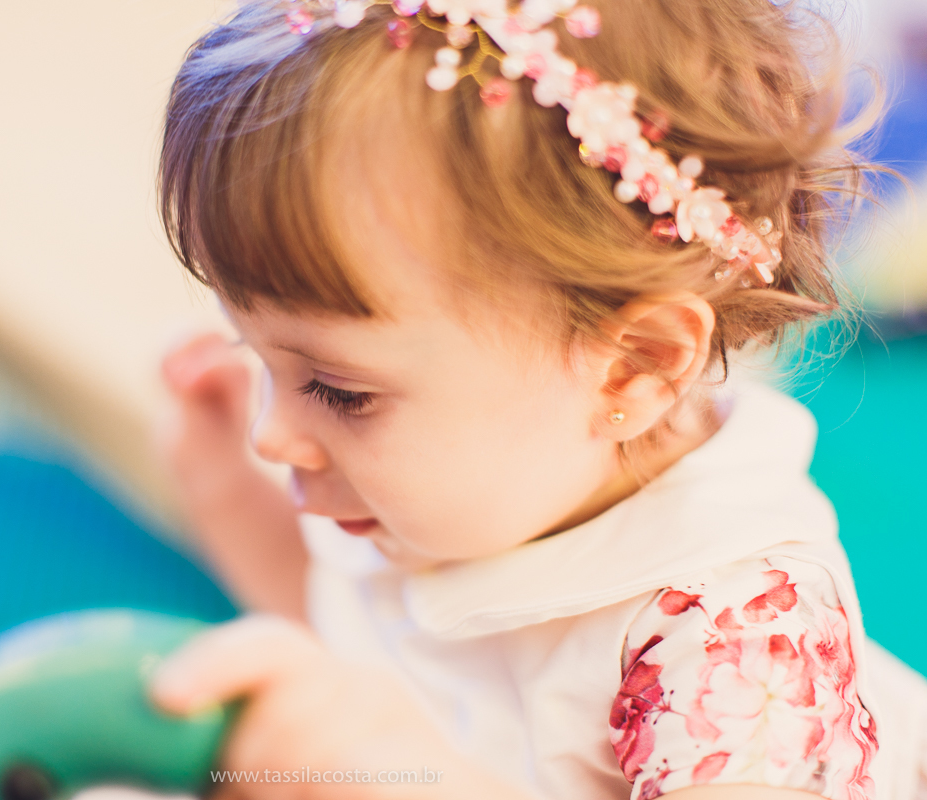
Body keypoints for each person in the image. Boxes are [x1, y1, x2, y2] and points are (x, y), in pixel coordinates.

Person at [144, 1, 927, 799]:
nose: (272, 434)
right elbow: (345, 624)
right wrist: (222, 485)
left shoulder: (737, 637)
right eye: (252, 350)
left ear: (635, 367)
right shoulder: (459, 491)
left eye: (336, 390)